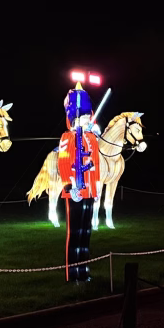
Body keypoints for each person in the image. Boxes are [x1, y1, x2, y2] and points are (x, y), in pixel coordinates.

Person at [57, 82, 100, 281]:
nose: (86, 120)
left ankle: (84, 271)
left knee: (86, 233)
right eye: (82, 117)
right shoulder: (68, 137)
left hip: (90, 191)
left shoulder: (91, 139)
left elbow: (96, 164)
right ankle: (72, 273)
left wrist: (96, 187)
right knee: (74, 234)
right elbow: (64, 162)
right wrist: (70, 183)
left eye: (87, 117)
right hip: (75, 191)